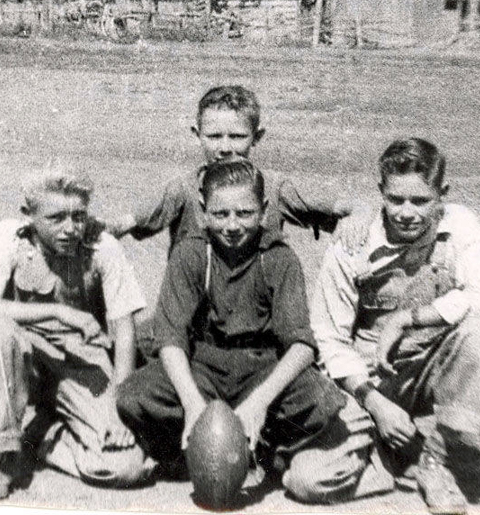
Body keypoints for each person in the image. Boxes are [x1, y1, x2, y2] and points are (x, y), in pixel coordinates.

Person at [289, 138, 480, 515]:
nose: (406, 212)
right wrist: (375, 404)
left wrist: (407, 318)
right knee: (307, 480)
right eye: (395, 200)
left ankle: (435, 460)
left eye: (421, 201)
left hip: (429, 368)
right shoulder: (352, 244)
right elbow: (328, 337)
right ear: (381, 193)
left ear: (442, 194)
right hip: (370, 378)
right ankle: (401, 454)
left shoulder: (460, 224)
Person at [115, 158, 346, 498]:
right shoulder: (192, 253)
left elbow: (301, 345)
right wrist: (193, 403)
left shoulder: (278, 258)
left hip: (260, 365)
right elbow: (170, 337)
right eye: (221, 214)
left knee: (323, 400)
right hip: (204, 363)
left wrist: (258, 404)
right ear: (204, 211)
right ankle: (183, 453)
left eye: (245, 213)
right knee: (134, 396)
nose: (233, 225)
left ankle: (269, 449)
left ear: (264, 210)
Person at [0, 167, 152, 500]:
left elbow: (124, 328)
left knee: (126, 467)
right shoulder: (9, 236)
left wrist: (122, 408)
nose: (70, 229)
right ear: (29, 215)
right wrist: (58, 310)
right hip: (26, 358)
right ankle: (3, 458)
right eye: (56, 218)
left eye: (78, 216)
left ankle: (43, 436)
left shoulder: (103, 245)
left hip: (82, 361)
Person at [101, 85, 369, 252]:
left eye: (237, 137)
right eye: (214, 136)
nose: (225, 147)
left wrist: (356, 217)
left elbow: (355, 205)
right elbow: (126, 223)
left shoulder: (275, 187)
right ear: (197, 134)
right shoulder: (182, 188)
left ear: (257, 136)